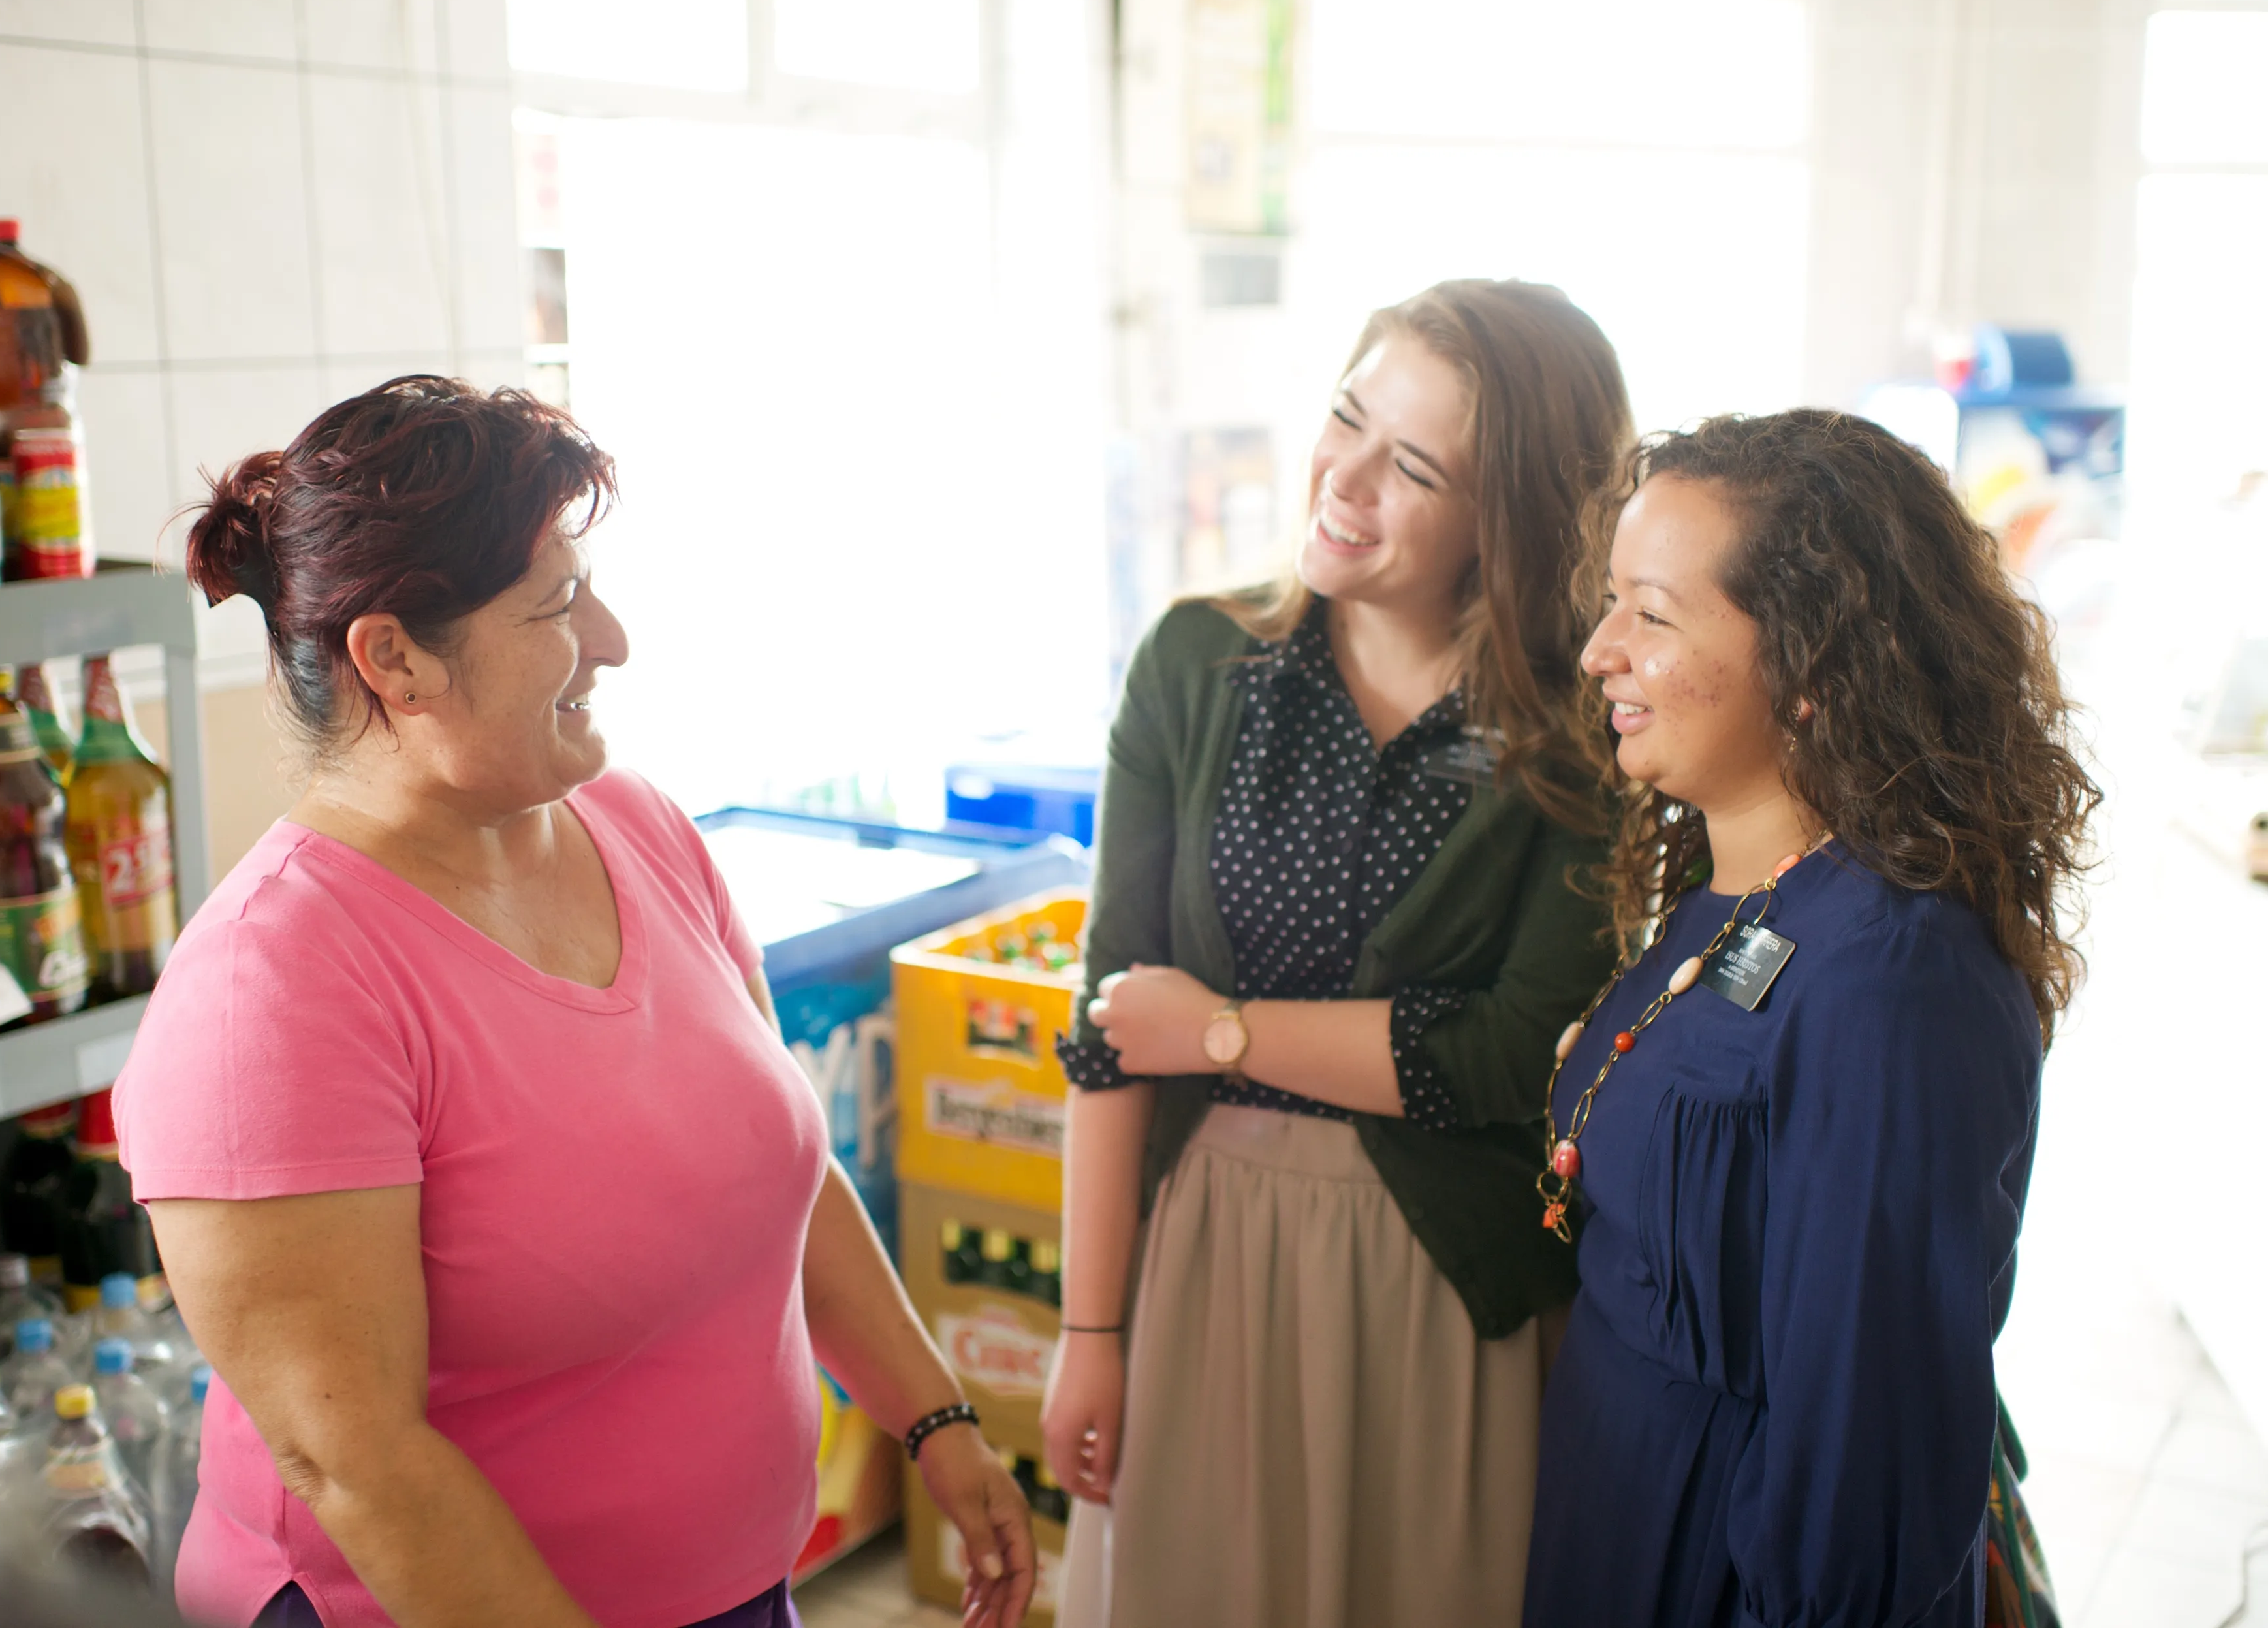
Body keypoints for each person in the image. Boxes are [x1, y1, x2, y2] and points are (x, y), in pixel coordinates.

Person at [114, 377, 1035, 1628]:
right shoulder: (271, 992)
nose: (610, 638)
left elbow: (785, 1170)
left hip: (734, 1591)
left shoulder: (633, 824)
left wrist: (934, 1414)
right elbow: (359, 1463)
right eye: (555, 604)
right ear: (394, 659)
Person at [1043, 281, 1635, 1627]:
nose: (1346, 480)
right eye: (1346, 420)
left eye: (1415, 468)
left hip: (1445, 1289)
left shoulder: (1580, 739)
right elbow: (1109, 1020)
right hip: (1200, 1252)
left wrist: (1224, 1034)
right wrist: (1088, 1331)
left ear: (1513, 521)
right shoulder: (1196, 665)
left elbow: (1509, 1054)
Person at [1524, 410, 2100, 1628]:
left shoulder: (1893, 974)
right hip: (1625, 1509)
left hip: (1729, 1562)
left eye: (1654, 615)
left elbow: (1867, 1460)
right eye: (1613, 602)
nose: (1599, 652)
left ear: (1815, 667)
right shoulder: (1732, 890)